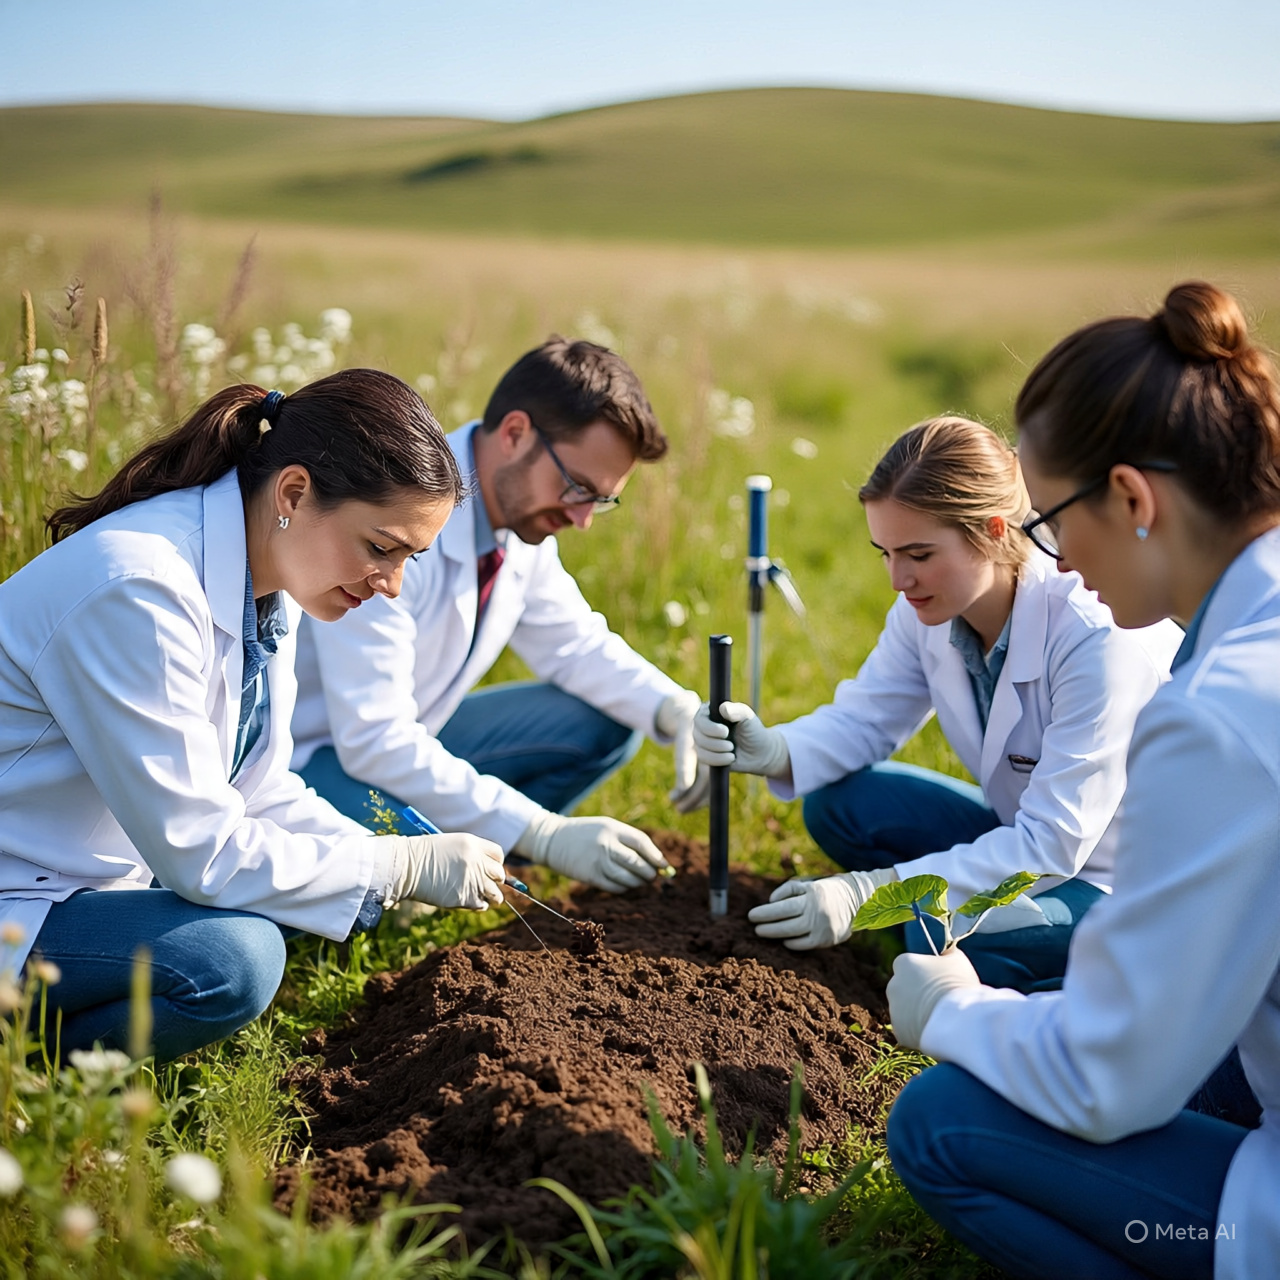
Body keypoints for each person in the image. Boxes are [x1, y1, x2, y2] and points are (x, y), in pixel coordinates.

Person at [884, 281, 1280, 1279]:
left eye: (1050, 521)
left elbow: (1112, 1078)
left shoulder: (1222, 714)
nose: (1049, 554)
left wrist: (953, 1012)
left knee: (937, 1118)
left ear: (1132, 497)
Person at [0, 370, 507, 1061]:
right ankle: (31, 1084)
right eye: (381, 548)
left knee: (300, 901)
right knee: (234, 957)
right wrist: (392, 867)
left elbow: (259, 791)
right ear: (294, 493)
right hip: (16, 902)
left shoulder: (269, 587)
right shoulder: (140, 589)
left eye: (409, 560)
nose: (391, 586)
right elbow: (199, 848)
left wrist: (386, 866)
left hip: (80, 889)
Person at [693, 416, 1180, 992]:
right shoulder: (932, 608)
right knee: (838, 805)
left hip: (1127, 883)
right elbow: (868, 717)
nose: (899, 579)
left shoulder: (1094, 639)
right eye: (886, 553)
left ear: (995, 531)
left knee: (936, 937)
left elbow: (1053, 844)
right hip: (1026, 835)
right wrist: (777, 749)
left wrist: (871, 895)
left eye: (919, 553)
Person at [291, 337, 707, 894]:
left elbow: (575, 645)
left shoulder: (520, 525)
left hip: (410, 738)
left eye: (600, 501)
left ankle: (480, 861)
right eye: (579, 488)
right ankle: (434, 878)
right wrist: (543, 831)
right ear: (515, 434)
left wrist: (676, 709)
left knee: (607, 717)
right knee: (350, 891)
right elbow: (374, 739)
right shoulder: (398, 514)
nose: (584, 519)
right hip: (320, 761)